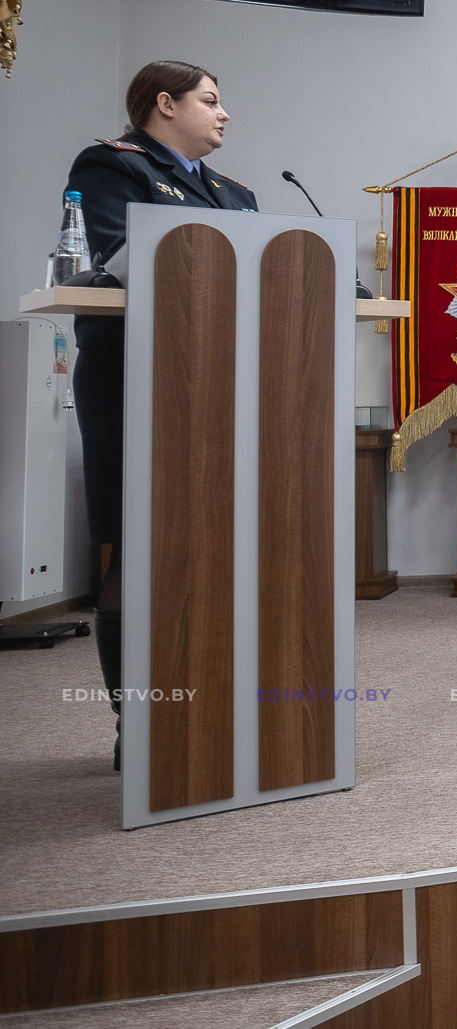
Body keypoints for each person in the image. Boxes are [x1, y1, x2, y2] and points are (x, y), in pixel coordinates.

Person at [66, 61, 259, 769]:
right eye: (211, 100)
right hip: (137, 376)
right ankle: (139, 724)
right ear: (165, 104)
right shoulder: (113, 165)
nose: (224, 113)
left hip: (225, 383)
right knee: (138, 548)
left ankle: (220, 707)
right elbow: (116, 258)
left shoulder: (236, 194)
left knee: (220, 546)